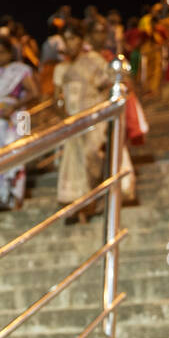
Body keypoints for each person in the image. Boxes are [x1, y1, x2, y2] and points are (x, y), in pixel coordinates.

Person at [54, 21, 112, 223]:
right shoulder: (62, 68)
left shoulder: (94, 60)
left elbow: (110, 84)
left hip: (94, 116)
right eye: (66, 39)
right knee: (75, 162)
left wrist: (101, 109)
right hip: (73, 121)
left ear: (82, 39)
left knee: (92, 154)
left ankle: (96, 199)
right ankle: (81, 206)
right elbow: (57, 99)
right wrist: (65, 116)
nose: (70, 43)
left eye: (74, 38)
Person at [0, 35, 37, 212]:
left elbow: (34, 93)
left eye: (2, 53)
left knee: (15, 155)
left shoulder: (20, 70)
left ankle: (15, 198)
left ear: (9, 53)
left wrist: (13, 107)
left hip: (15, 119)